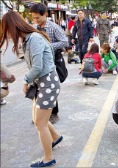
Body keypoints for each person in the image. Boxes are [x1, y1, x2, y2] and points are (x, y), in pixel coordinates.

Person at [0, 10, 63, 167]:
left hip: (47, 82)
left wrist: (25, 81)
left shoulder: (34, 39)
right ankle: (55, 137)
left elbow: (37, 66)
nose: (7, 35)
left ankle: (48, 158)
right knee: (38, 119)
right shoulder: (28, 39)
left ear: (13, 27)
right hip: (42, 83)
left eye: (6, 30)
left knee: (40, 124)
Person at [30, 3, 68, 124]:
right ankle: (41, 114)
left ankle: (54, 113)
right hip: (38, 62)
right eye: (33, 18)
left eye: (37, 18)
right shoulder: (34, 28)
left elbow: (64, 41)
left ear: (45, 15)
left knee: (49, 87)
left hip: (52, 62)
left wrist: (49, 46)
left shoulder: (53, 27)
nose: (35, 20)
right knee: (39, 88)